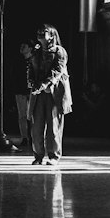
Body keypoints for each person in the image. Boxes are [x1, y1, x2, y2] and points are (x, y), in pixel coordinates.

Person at [29, 23, 71, 165]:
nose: (40, 33)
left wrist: (46, 84)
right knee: (37, 126)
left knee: (53, 126)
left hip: (54, 93)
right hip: (39, 93)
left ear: (52, 35)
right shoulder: (36, 51)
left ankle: (53, 156)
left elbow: (58, 70)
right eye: (39, 31)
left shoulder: (60, 51)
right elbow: (30, 68)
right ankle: (38, 155)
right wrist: (32, 83)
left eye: (44, 31)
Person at [12, 39, 34, 150]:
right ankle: (25, 137)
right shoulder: (18, 61)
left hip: (31, 90)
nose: (22, 47)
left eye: (24, 45)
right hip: (20, 90)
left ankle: (34, 137)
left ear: (30, 48)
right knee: (22, 115)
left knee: (33, 115)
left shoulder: (34, 60)